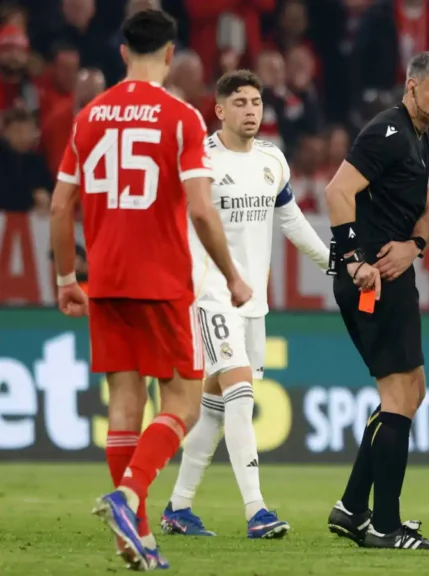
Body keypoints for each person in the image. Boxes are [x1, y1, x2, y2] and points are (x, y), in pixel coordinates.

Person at [49, 9, 251, 572]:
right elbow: (202, 210)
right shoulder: (181, 118)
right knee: (182, 401)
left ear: (122, 54)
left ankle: (134, 538)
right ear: (169, 54)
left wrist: (66, 279)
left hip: (106, 280)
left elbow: (60, 207)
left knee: (124, 405)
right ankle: (131, 494)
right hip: (160, 279)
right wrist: (232, 275)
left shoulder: (88, 117)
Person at [160, 70, 329, 539]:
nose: (251, 110)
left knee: (215, 406)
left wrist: (334, 263)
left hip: (253, 300)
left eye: (256, 102)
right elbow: (172, 221)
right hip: (210, 293)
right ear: (219, 110)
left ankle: (178, 508)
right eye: (240, 103)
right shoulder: (201, 162)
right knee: (240, 393)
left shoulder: (273, 160)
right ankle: (257, 510)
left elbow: (292, 222)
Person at [322, 50, 429, 550]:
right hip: (371, 279)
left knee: (412, 391)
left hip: (395, 271)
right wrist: (354, 260)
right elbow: (338, 192)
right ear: (412, 85)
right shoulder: (387, 131)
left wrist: (415, 244)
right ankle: (385, 525)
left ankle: (352, 507)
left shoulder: (424, 137)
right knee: (398, 396)